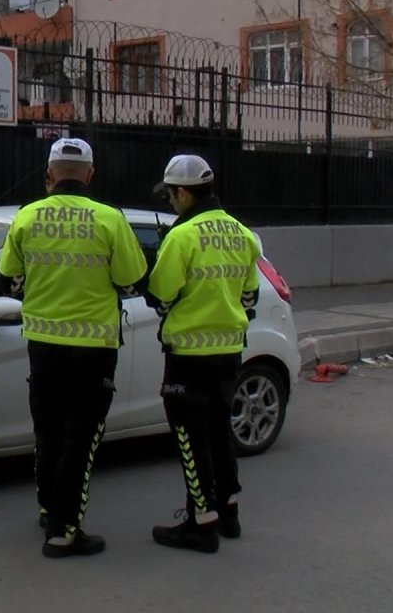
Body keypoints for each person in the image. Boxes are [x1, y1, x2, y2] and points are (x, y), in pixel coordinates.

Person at [0, 138, 147, 559]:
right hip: (94, 346)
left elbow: (7, 276)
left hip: (43, 345)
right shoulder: (109, 219)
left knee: (48, 431)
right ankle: (64, 531)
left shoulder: (26, 217)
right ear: (91, 175)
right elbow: (132, 278)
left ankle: (50, 509)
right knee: (81, 436)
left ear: (49, 175)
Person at [145, 155, 261, 554]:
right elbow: (250, 295)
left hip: (188, 355)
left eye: (171, 195)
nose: (170, 203)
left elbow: (159, 296)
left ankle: (201, 525)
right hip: (230, 352)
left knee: (190, 439)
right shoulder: (243, 234)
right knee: (218, 432)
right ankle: (229, 513)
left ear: (182, 192)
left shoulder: (182, 236)